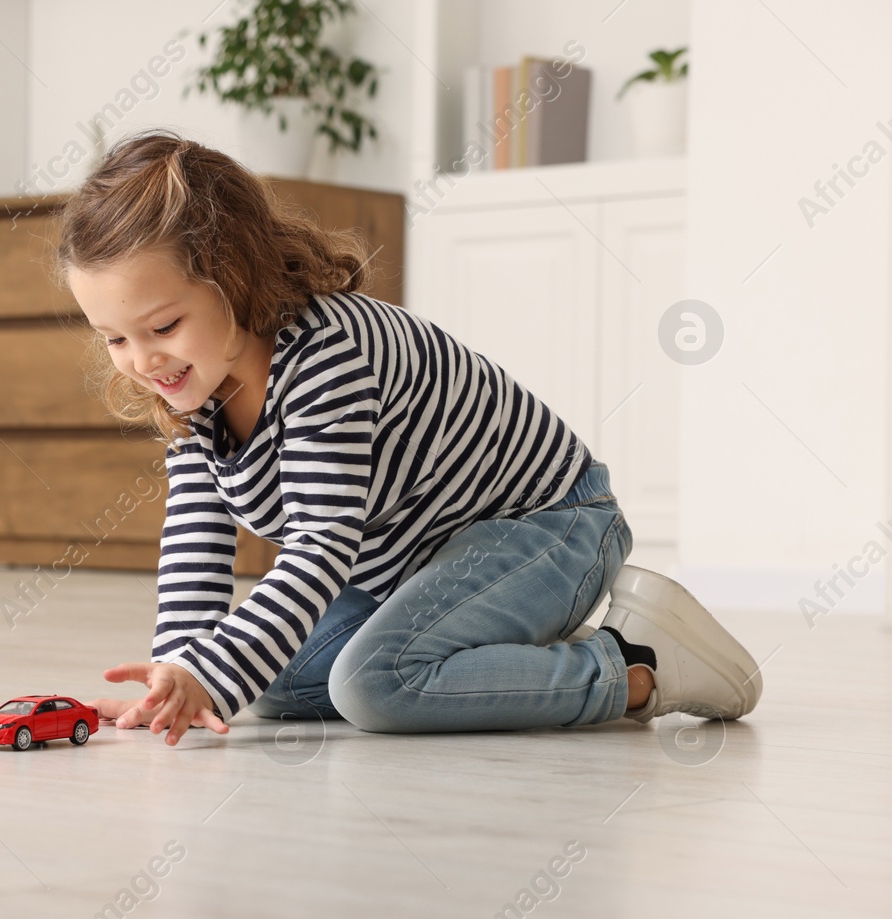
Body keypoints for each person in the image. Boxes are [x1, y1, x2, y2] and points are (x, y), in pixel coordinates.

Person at [57, 130, 762, 746]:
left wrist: (211, 671)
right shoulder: (198, 387)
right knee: (269, 683)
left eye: (163, 326)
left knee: (372, 685)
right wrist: (177, 675)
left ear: (233, 276)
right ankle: (503, 650)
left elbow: (321, 545)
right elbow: (195, 539)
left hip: (552, 526)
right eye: (115, 337)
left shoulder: (324, 358)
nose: (142, 360)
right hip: (418, 567)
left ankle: (637, 665)